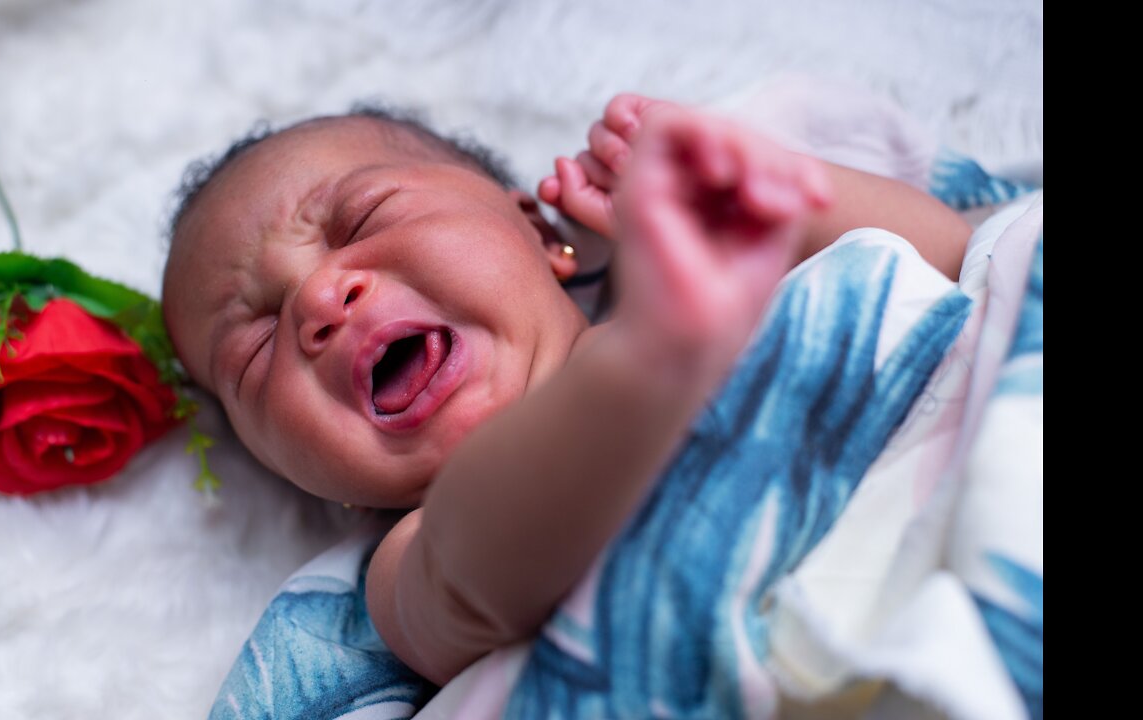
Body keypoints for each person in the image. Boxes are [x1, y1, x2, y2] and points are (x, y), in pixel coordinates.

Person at [161, 93, 971, 686]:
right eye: (256, 350)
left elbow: (953, 259)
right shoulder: (409, 565)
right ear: (307, 480)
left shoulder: (747, 285)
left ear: (541, 233)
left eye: (363, 220)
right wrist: (648, 362)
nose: (316, 302)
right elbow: (479, 571)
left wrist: (756, 201)